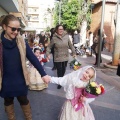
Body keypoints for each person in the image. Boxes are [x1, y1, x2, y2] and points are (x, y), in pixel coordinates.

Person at [0, 14, 50, 120]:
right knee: (8, 101)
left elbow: (32, 58)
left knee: (23, 99)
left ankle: (29, 118)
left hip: (20, 79)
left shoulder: (21, 42)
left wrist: (43, 74)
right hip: (5, 80)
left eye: (18, 29)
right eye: (13, 29)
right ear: (4, 27)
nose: (16, 32)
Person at [46, 24, 76, 89]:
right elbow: (49, 47)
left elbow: (71, 45)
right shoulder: (54, 38)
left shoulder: (67, 36)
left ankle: (61, 80)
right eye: (59, 29)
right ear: (57, 30)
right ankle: (60, 82)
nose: (61, 30)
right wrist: (47, 54)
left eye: (62, 29)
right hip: (57, 57)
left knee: (64, 69)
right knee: (59, 70)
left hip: (65, 56)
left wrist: (74, 52)